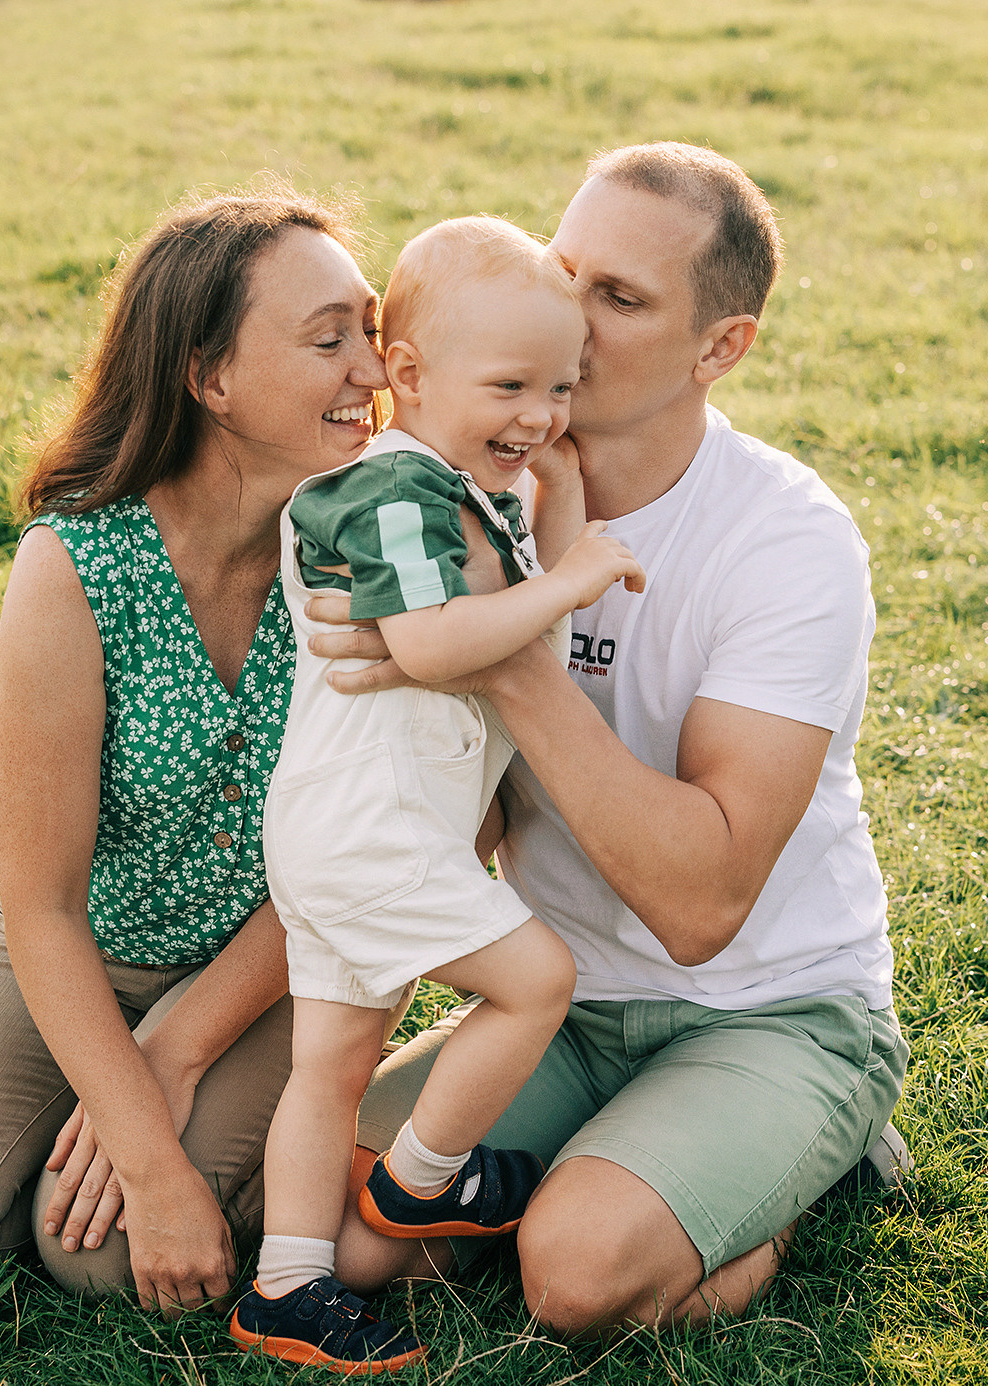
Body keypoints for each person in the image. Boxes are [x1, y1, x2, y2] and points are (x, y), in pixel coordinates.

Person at [317, 143, 911, 1335]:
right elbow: (453, 817)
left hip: (767, 1009)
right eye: (563, 270)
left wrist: (497, 648)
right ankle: (634, 1155)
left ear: (718, 347)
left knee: (573, 1276)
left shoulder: (786, 541)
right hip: (562, 1002)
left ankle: (804, 1159)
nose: (570, 322)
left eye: (621, 299)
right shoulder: (465, 496)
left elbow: (700, 906)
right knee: (340, 1223)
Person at [0, 185, 400, 1316]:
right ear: (208, 377)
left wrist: (175, 1055)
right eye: (330, 341)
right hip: (84, 947)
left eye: (369, 332)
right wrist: (142, 1147)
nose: (372, 371)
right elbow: (41, 905)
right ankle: (64, 1142)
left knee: (102, 1261)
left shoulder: (375, 553)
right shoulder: (77, 563)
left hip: (288, 960)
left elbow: (373, 853)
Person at [230, 217, 645, 1374]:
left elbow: (523, 617)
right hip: (372, 829)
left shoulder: (457, 485)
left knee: (331, 1065)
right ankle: (423, 1179)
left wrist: (559, 494)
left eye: (559, 387)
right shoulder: (392, 490)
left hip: (344, 827)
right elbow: (430, 642)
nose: (540, 414)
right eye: (509, 386)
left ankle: (286, 1288)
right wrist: (570, 577)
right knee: (535, 981)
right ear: (407, 375)